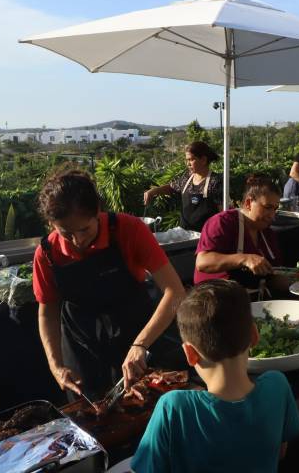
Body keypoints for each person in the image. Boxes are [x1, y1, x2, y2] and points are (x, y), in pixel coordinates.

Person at [33, 169, 187, 400]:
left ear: (98, 212)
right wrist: (56, 366)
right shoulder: (46, 253)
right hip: (81, 344)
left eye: (84, 229)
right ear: (51, 224)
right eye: (66, 233)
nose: (78, 240)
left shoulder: (128, 229)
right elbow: (48, 313)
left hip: (135, 331)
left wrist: (140, 346)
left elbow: (175, 292)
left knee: (143, 404)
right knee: (92, 416)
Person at [132, 279, 299, 472]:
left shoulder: (174, 408)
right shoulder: (277, 385)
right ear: (254, 335)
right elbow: (281, 452)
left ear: (189, 353)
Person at [194, 174, 284, 297]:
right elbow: (203, 262)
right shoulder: (223, 222)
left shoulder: (267, 232)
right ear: (248, 203)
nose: (272, 215)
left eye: (275, 209)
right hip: (215, 300)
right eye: (268, 207)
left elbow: (274, 274)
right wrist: (244, 259)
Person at [143, 141, 222, 232]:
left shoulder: (216, 182)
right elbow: (172, 188)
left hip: (205, 237)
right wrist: (154, 191)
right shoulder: (187, 178)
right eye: (187, 160)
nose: (188, 164)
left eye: (191, 160)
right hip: (185, 234)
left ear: (203, 160)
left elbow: (223, 212)